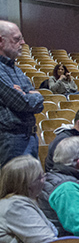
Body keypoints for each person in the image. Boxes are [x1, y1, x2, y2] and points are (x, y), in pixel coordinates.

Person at [0, 21, 43, 167]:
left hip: (29, 136)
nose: (23, 43)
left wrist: (30, 94)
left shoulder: (16, 69)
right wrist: (30, 95)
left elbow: (38, 102)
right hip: (11, 139)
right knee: (15, 181)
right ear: (1, 41)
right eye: (17, 39)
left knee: (32, 180)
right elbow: (21, 102)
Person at [0, 155, 57, 243]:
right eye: (40, 177)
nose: (44, 180)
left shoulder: (15, 202)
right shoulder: (16, 207)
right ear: (28, 184)